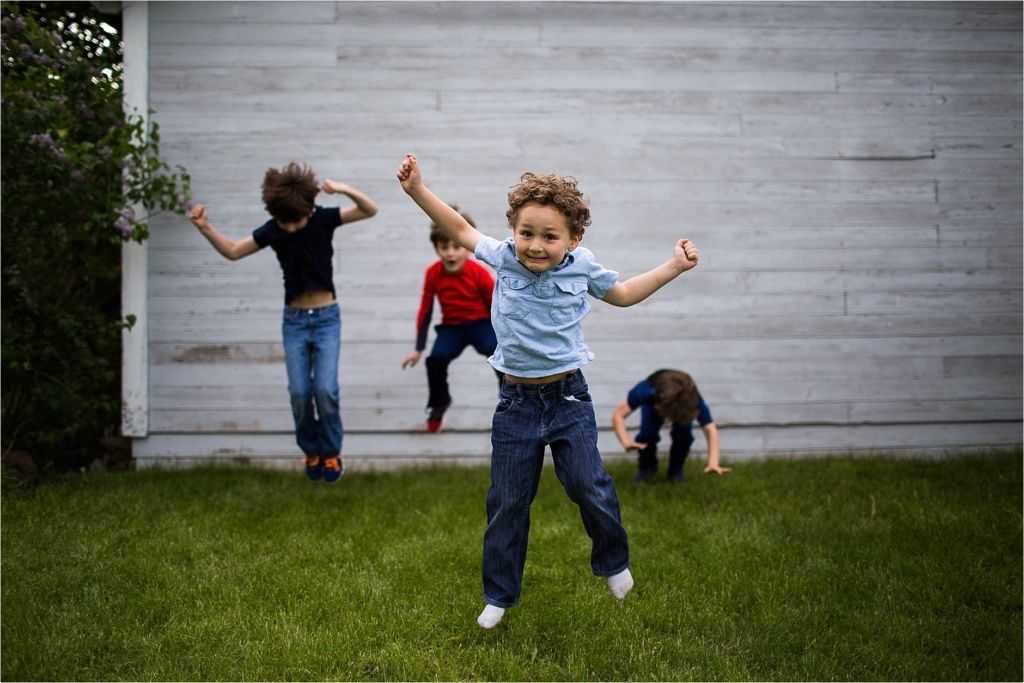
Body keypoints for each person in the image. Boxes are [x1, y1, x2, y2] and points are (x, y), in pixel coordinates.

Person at [397, 153, 700, 629]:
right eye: (527, 233)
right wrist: (417, 190)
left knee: (586, 483)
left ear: (574, 239)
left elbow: (623, 293)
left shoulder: (582, 268)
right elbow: (457, 227)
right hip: (515, 403)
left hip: (568, 400)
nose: (535, 246)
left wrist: (672, 268)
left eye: (550, 237)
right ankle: (499, 593)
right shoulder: (501, 256)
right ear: (513, 231)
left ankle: (613, 559)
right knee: (507, 502)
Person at [188, 162, 378, 484]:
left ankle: (331, 451)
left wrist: (342, 188)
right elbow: (234, 251)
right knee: (300, 391)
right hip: (293, 321)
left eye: (296, 222)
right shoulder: (275, 229)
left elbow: (368, 210)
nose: (289, 229)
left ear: (308, 209)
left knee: (325, 389)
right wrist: (205, 227)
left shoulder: (322, 220)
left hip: (327, 319)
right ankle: (311, 448)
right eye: (283, 222)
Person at [401, 207, 503, 433]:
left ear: (467, 249)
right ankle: (439, 403)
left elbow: (497, 307)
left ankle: (510, 403)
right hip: (452, 329)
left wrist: (508, 339)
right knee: (435, 359)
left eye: (456, 247)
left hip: (481, 324)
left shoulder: (479, 273)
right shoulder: (433, 274)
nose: (450, 253)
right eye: (443, 247)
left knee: (500, 357)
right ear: (436, 249)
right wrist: (418, 349)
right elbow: (425, 311)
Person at [612, 369, 731, 484]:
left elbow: (710, 429)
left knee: (683, 436)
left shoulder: (692, 401)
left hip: (683, 407)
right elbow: (619, 415)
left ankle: (676, 472)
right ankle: (647, 469)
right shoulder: (646, 391)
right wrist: (626, 442)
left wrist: (713, 462)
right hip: (655, 403)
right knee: (647, 435)